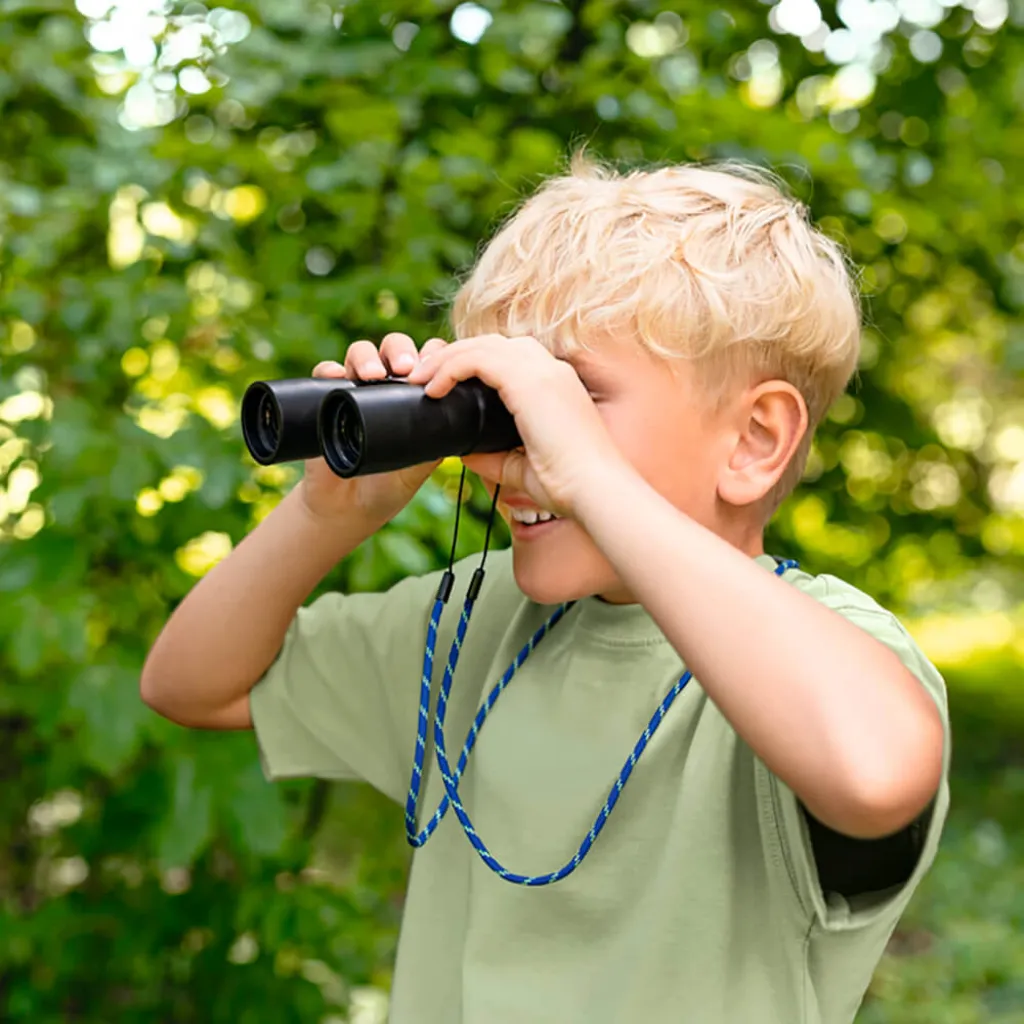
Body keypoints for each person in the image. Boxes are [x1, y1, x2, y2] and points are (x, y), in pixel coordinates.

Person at [141, 153, 950, 1024]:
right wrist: (325, 517)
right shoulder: (471, 624)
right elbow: (189, 685)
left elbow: (874, 775)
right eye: (495, 404)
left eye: (571, 396)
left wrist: (590, 476)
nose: (516, 448)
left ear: (754, 440)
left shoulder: (824, 649)